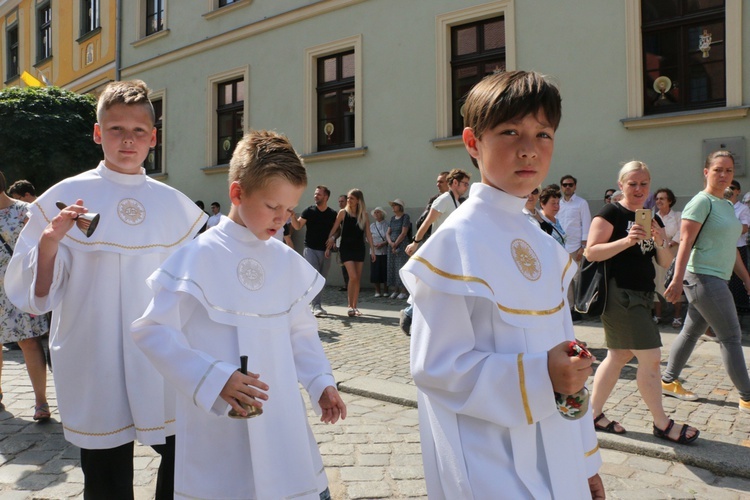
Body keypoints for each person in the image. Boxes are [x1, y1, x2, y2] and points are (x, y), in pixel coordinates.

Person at [401, 70, 603, 498]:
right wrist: (538, 374)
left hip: (559, 450)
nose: (529, 149)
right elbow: (435, 367)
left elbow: (570, 358)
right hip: (487, 457)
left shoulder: (545, 246)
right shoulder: (453, 244)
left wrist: (586, 462)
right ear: (473, 143)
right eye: (510, 131)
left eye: (543, 134)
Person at [5, 80, 207, 499]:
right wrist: (49, 242)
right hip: (93, 350)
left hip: (158, 352)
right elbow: (36, 295)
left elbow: (198, 286)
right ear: (98, 133)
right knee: (106, 474)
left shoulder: (176, 205)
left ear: (153, 137)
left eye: (138, 131)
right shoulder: (64, 197)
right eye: (115, 129)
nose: (127, 140)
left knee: (183, 451)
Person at [131, 130, 346, 500]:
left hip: (280, 417)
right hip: (217, 422)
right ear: (237, 193)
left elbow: (301, 333)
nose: (281, 219)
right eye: (272, 207)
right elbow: (153, 331)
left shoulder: (286, 263)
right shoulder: (197, 256)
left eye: (289, 210)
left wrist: (320, 382)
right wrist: (213, 378)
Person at [586, 161, 699, 445]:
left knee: (619, 355)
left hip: (641, 294)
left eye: (644, 183)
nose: (639, 189)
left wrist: (661, 242)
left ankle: (591, 415)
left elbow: (663, 261)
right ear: (621, 184)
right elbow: (591, 252)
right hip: (620, 295)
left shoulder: (650, 217)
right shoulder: (611, 212)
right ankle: (662, 423)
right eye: (633, 183)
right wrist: (626, 241)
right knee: (650, 358)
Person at [663, 151, 750, 414]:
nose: (724, 175)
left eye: (729, 171)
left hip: (717, 279)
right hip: (701, 277)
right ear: (706, 172)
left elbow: (730, 247)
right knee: (731, 337)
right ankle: (747, 396)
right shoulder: (701, 203)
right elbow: (685, 244)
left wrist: (746, 278)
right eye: (718, 170)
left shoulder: (725, 204)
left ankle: (668, 381)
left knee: (691, 332)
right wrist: (677, 281)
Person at [0, 172, 50, 420]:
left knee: (28, 341)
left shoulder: (25, 211)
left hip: (18, 286)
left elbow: (42, 245)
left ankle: (41, 401)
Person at [325, 189, 376, 317]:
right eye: (348, 198)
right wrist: (329, 244)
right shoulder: (342, 213)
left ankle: (355, 306)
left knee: (357, 278)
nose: (349, 200)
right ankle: (349, 306)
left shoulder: (363, 214)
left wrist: (373, 249)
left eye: (351, 198)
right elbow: (334, 229)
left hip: (359, 247)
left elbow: (368, 233)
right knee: (352, 276)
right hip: (346, 248)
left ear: (358, 200)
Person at [291, 186, 337, 317]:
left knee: (321, 279)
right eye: (315, 194)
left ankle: (315, 305)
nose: (316, 196)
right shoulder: (309, 211)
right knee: (313, 277)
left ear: (326, 197)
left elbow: (338, 229)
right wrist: (293, 216)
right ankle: (314, 306)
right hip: (310, 249)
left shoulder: (332, 214)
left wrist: (333, 238)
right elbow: (298, 226)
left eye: (319, 194)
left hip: (326, 251)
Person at [405, 168, 470, 257]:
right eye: (465, 184)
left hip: (451, 249)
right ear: (455, 183)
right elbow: (427, 222)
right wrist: (415, 243)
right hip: (440, 250)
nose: (467, 187)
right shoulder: (444, 199)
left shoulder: (456, 202)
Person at [558, 174, 592, 321]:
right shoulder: (557, 204)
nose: (567, 187)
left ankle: (580, 308)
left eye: (570, 184)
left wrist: (583, 246)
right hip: (561, 248)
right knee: (565, 280)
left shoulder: (581, 203)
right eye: (565, 184)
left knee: (577, 279)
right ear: (561, 187)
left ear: (575, 186)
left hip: (575, 247)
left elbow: (587, 225)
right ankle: (570, 308)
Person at [651, 188, 683, 328]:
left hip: (674, 251)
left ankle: (677, 316)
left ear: (670, 201)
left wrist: (672, 243)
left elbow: (682, 231)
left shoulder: (677, 216)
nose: (659, 201)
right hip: (658, 251)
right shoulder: (653, 216)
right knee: (658, 283)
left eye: (662, 198)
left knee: (674, 282)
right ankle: (658, 315)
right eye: (657, 198)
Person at [726, 180, 750, 315]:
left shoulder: (742, 208)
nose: (729, 190)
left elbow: (745, 228)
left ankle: (738, 312)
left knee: (737, 282)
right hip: (723, 248)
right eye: (728, 187)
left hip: (738, 247)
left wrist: (727, 229)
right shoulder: (722, 205)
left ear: (738, 191)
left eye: (733, 188)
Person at [385, 199, 410, 300]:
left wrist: (396, 244)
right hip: (392, 244)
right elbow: (388, 232)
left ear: (400, 206)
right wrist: (391, 243)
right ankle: (396, 290)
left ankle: (404, 291)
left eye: (395, 205)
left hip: (401, 244)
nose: (393, 207)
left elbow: (404, 232)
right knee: (393, 267)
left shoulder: (405, 217)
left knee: (401, 266)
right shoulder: (392, 218)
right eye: (393, 205)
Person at [369, 207, 389, 297]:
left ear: (382, 214)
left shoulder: (387, 224)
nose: (376, 214)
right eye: (375, 212)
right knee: (375, 271)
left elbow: (389, 236)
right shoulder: (372, 226)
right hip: (374, 251)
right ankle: (377, 290)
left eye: (378, 212)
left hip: (385, 251)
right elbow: (368, 237)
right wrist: (373, 244)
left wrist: (384, 243)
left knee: (385, 270)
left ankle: (386, 290)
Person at [336, 194, 350, 291]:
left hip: (351, 243)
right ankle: (346, 284)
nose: (340, 203)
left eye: (342, 201)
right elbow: (338, 229)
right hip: (341, 243)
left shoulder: (351, 213)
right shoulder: (340, 214)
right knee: (343, 265)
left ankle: (352, 285)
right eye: (339, 201)